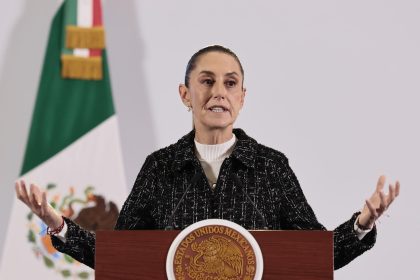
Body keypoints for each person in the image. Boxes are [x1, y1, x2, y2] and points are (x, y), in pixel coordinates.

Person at [16, 45, 400, 270]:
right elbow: (120, 258)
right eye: (207, 81)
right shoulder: (159, 168)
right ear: (185, 95)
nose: (219, 92)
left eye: (230, 83)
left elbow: (315, 256)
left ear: (242, 97)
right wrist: (60, 226)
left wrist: (362, 224)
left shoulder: (271, 166)